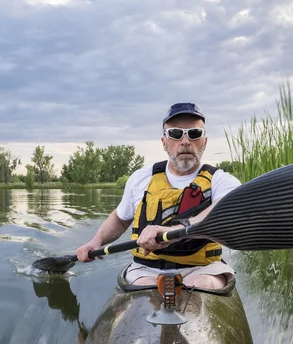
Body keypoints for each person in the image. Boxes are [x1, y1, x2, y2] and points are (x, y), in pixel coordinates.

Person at [76, 103, 241, 290]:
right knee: (146, 291)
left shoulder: (222, 181)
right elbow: (121, 219)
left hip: (202, 269)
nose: (185, 141)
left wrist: (179, 228)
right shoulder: (141, 178)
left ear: (205, 141)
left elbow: (225, 210)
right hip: (146, 269)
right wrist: (96, 241)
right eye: (176, 134)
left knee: (201, 285)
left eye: (194, 134)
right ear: (164, 142)